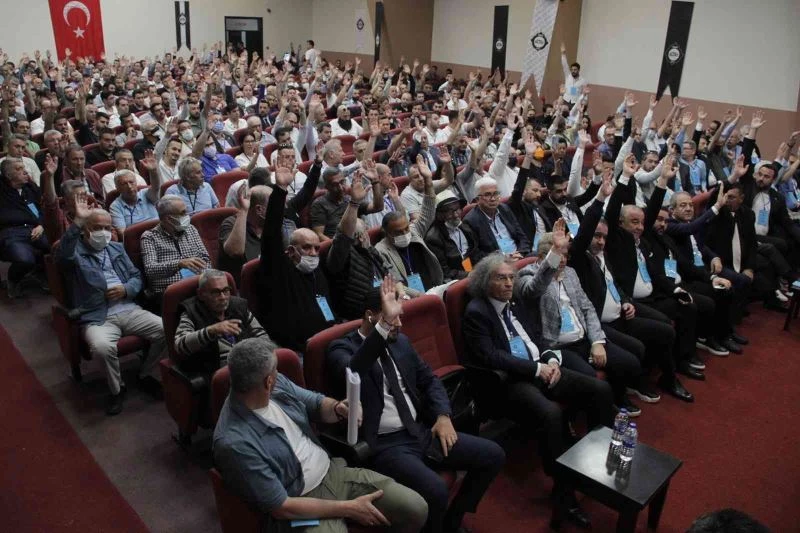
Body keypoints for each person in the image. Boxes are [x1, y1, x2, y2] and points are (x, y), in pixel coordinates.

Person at [327, 281, 505, 533]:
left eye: (399, 317)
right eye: (393, 318)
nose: (400, 324)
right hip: (386, 444)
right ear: (371, 316)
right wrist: (384, 326)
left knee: (493, 455)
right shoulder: (340, 348)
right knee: (436, 489)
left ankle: (453, 520)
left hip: (420, 429)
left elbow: (429, 380)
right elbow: (355, 371)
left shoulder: (400, 342)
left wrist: (443, 416)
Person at [213, 337, 429, 533]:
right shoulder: (234, 442)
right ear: (268, 381)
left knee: (415, 508)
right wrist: (349, 508)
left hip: (333, 472)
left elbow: (315, 403)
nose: (278, 374)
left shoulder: (277, 386)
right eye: (276, 371)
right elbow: (282, 508)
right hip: (299, 503)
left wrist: (337, 408)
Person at [462, 253, 613, 529]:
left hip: (542, 368)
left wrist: (551, 359)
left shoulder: (515, 303)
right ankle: (563, 492)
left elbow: (537, 336)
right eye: (501, 278)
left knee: (600, 390)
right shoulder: (476, 313)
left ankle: (598, 458)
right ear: (485, 282)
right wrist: (536, 369)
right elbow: (492, 356)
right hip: (509, 383)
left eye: (511, 277)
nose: (509, 283)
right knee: (551, 414)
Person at [517, 219, 643, 414]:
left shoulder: (570, 273)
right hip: (559, 346)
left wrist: (596, 342)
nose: (563, 260)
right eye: (559, 255)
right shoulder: (527, 275)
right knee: (591, 377)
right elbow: (534, 288)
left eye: (565, 255)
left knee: (630, 361)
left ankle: (618, 396)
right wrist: (555, 253)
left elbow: (587, 308)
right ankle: (603, 412)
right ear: (542, 257)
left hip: (583, 338)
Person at [605, 155, 699, 402]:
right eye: (633, 222)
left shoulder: (641, 241)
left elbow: (654, 210)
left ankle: (676, 366)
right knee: (664, 328)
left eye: (641, 223)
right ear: (621, 224)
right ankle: (659, 378)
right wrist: (625, 177)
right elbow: (613, 212)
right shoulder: (617, 242)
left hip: (651, 296)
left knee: (681, 311)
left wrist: (663, 180)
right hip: (628, 302)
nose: (639, 227)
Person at [57, 202, 164, 415]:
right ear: (85, 230)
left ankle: (146, 373)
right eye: (97, 228)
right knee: (102, 347)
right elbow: (63, 254)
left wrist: (126, 289)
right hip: (97, 316)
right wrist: (77, 221)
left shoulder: (116, 248)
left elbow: (136, 276)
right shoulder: (74, 253)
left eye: (107, 228)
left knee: (166, 330)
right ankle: (117, 390)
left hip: (128, 308)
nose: (104, 233)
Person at [258, 165, 335, 352]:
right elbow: (271, 236)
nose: (313, 253)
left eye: (317, 248)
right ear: (291, 251)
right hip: (299, 350)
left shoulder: (317, 271)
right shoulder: (279, 270)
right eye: (307, 248)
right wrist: (280, 190)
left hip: (329, 340)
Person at [326, 169, 394, 320]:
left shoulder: (370, 250)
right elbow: (343, 237)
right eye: (363, 233)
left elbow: (388, 275)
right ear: (361, 236)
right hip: (362, 314)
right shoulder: (342, 256)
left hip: (385, 302)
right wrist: (354, 203)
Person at [174, 269, 269, 376]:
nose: (223, 297)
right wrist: (211, 330)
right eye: (215, 292)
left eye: (226, 290)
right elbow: (180, 345)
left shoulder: (238, 306)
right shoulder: (191, 312)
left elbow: (262, 335)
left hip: (250, 366)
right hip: (217, 374)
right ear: (201, 294)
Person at [375, 166, 444, 298]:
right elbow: (395, 283)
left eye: (406, 228)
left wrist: (428, 181)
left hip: (434, 287)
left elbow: (428, 212)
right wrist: (422, 297)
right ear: (387, 233)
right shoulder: (381, 251)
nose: (405, 234)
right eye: (398, 232)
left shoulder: (413, 232)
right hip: (411, 298)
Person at [140, 195, 211, 303]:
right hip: (169, 292)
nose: (187, 215)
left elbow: (206, 258)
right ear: (169, 219)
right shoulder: (150, 237)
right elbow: (151, 270)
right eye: (183, 213)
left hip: (197, 285)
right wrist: (178, 264)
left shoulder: (191, 229)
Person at [0, 157, 50, 298]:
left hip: (35, 229)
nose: (25, 172)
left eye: (24, 168)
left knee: (55, 247)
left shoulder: (30, 188)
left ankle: (40, 273)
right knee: (24, 259)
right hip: (11, 232)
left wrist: (41, 225)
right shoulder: (2, 188)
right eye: (19, 169)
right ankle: (13, 280)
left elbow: (43, 209)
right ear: (8, 175)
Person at [463, 176, 530, 264]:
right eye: (487, 195)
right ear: (477, 199)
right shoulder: (470, 221)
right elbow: (476, 255)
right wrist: (503, 258)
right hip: (496, 264)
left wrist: (520, 253)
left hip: (519, 256)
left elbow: (522, 237)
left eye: (495, 193)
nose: (493, 199)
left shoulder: (505, 209)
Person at [311, 165, 383, 241]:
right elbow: (319, 235)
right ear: (327, 187)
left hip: (359, 240)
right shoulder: (319, 204)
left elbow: (377, 207)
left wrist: (375, 181)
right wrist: (336, 245)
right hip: (337, 242)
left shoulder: (349, 198)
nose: (340, 188)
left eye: (342, 182)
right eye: (335, 185)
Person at [424, 190, 479, 282]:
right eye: (450, 211)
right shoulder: (433, 238)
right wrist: (469, 275)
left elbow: (476, 252)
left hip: (475, 271)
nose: (456, 215)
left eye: (457, 209)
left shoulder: (465, 227)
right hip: (457, 280)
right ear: (439, 214)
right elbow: (445, 271)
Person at [108, 151, 162, 236]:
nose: (129, 186)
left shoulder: (145, 194)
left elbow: (156, 187)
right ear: (117, 188)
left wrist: (153, 171)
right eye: (124, 184)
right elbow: (123, 234)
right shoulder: (115, 206)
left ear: (136, 183)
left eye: (131, 182)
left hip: (160, 233)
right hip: (138, 240)